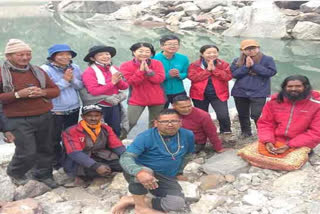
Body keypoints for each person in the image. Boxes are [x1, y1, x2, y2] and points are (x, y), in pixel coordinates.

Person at [0, 39, 60, 187]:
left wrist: (42, 92)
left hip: (44, 115)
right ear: (9, 56)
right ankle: (16, 172)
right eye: (20, 55)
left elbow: (55, 91)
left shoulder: (38, 71)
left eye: (28, 54)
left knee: (46, 147)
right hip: (17, 119)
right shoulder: (2, 74)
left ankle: (44, 174)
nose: (25, 58)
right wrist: (18, 95)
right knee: (27, 151)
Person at [111, 109, 194, 214]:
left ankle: (130, 200)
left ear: (180, 122)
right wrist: (139, 172)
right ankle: (140, 208)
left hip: (166, 177)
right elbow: (125, 157)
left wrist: (179, 172)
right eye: (164, 122)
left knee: (177, 203)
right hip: (142, 175)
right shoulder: (145, 136)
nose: (170, 124)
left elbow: (187, 155)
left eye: (174, 121)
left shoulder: (188, 135)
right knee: (146, 170)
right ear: (155, 123)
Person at [41, 44, 83, 169]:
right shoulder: (45, 70)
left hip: (74, 108)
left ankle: (70, 160)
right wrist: (64, 81)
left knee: (71, 136)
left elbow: (80, 86)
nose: (65, 57)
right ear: (53, 57)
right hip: (55, 110)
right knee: (53, 138)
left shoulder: (74, 67)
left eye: (68, 54)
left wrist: (72, 80)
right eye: (60, 54)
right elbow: (46, 92)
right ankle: (56, 163)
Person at [257, 75, 320, 156]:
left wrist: (289, 145)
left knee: (291, 162)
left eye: (298, 86)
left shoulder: (316, 104)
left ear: (306, 87)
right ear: (284, 87)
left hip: (301, 143)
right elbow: (265, 123)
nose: (293, 89)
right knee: (261, 155)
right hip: (275, 141)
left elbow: (316, 132)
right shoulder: (274, 101)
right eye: (290, 86)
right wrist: (268, 141)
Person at [61, 105, 125, 183]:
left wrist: (127, 157)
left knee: (124, 164)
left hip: (102, 156)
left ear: (101, 116)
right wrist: (95, 166)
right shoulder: (72, 131)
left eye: (96, 116)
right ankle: (82, 177)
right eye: (89, 116)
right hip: (80, 161)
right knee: (95, 170)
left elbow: (117, 145)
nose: (93, 118)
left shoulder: (106, 128)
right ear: (83, 116)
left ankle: (106, 171)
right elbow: (75, 153)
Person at [231, 39, 277, 138]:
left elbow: (271, 72)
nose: (251, 51)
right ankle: (246, 132)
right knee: (243, 114)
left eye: (253, 48)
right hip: (240, 92)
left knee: (257, 114)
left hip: (259, 92)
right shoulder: (237, 60)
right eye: (247, 49)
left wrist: (254, 66)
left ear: (258, 48)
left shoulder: (267, 59)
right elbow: (233, 74)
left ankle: (262, 132)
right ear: (242, 50)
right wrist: (246, 67)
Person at [82, 45, 128, 137]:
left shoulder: (114, 69)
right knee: (97, 131)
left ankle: (114, 148)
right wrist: (112, 82)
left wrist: (118, 81)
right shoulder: (89, 72)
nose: (105, 57)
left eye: (107, 54)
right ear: (92, 58)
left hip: (114, 105)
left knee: (116, 130)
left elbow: (125, 86)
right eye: (100, 55)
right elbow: (94, 91)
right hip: (98, 105)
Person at [120, 42, 166, 131]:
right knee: (129, 122)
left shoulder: (157, 63)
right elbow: (130, 82)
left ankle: (152, 143)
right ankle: (116, 142)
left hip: (157, 98)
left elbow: (159, 79)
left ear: (151, 54)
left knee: (155, 124)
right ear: (134, 52)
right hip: (136, 99)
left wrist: (148, 71)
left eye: (147, 52)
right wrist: (140, 71)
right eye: (140, 51)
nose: (144, 54)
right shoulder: (125, 65)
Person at [188, 45, 232, 135]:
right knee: (201, 116)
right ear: (202, 54)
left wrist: (215, 70)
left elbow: (228, 77)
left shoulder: (223, 64)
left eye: (214, 52)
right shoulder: (195, 65)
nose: (212, 54)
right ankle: (202, 133)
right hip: (199, 94)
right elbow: (193, 77)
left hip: (218, 94)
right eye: (208, 53)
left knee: (223, 115)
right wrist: (207, 71)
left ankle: (226, 132)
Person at [153, 35, 189, 108]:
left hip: (179, 90)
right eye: (169, 44)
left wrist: (180, 75)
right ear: (162, 46)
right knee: (161, 114)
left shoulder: (183, 58)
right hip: (160, 91)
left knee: (182, 111)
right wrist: (168, 75)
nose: (173, 46)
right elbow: (152, 77)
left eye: (175, 44)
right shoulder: (154, 59)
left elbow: (187, 72)